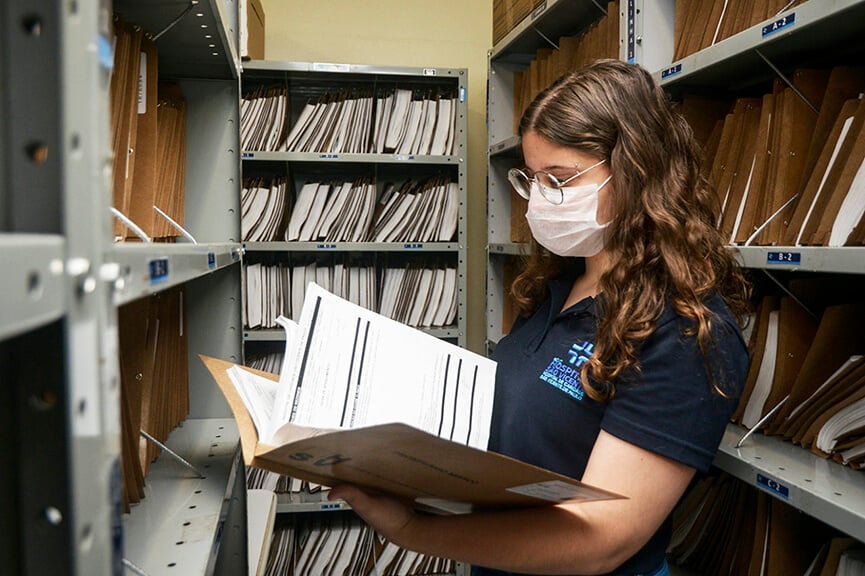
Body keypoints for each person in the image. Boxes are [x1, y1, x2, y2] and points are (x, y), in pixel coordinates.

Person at [329, 58, 751, 576]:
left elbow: (603, 539)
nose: (541, 200)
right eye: (533, 179)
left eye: (560, 179)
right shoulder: (556, 288)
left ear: (637, 170)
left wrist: (416, 531)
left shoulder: (686, 330)